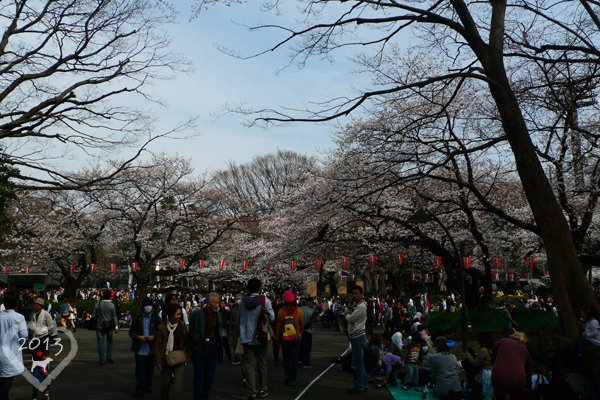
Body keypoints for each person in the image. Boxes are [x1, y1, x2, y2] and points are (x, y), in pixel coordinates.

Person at [239, 278, 275, 400]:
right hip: (262, 336)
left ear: (248, 288)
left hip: (246, 337)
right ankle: (263, 389)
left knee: (249, 365)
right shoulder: (265, 301)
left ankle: (251, 391)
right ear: (259, 288)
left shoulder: (242, 302)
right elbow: (272, 318)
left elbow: (239, 319)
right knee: (262, 364)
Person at [189, 292, 223, 400]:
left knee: (209, 375)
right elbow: (191, 330)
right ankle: (198, 396)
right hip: (199, 346)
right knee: (199, 375)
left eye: (218, 302)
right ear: (208, 303)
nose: (217, 305)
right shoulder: (197, 313)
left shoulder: (218, 314)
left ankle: (205, 395)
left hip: (212, 346)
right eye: (215, 302)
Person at [156, 303, 191, 400]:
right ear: (170, 315)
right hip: (166, 358)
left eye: (180, 314)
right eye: (177, 314)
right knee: (165, 383)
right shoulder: (162, 327)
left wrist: (187, 356)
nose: (179, 316)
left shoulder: (182, 325)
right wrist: (159, 361)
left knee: (178, 385)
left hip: (179, 357)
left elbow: (186, 342)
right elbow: (158, 346)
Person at [129, 298, 161, 397]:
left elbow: (160, 331)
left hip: (151, 348)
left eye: (149, 305)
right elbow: (131, 332)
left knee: (149, 370)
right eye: (146, 305)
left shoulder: (156, 318)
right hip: (140, 348)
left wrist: (154, 336)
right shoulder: (138, 318)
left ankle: (147, 386)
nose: (148, 307)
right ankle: (140, 388)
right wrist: (138, 337)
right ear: (142, 307)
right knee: (140, 369)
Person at [0, 293, 28, 400]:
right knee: (7, 381)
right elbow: (24, 335)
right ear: (15, 304)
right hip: (11, 353)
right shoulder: (19, 317)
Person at [29, 297, 57, 400]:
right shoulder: (32, 314)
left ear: (40, 305)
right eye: (34, 304)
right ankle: (37, 392)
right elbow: (31, 325)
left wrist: (43, 331)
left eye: (36, 304)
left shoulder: (46, 314)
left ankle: (46, 391)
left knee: (43, 367)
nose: (34, 305)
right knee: (36, 367)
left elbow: (52, 328)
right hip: (34, 342)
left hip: (43, 341)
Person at [492, 332, 532, 400]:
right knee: (516, 394)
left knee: (499, 393)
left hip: (498, 378)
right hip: (517, 382)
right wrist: (529, 386)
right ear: (523, 341)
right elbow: (528, 368)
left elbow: (494, 351)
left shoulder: (502, 341)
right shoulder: (524, 349)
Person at [275, 290, 304, 386]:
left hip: (284, 339)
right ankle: (293, 379)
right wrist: (300, 334)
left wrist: (278, 338)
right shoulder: (299, 311)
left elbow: (278, 326)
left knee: (286, 358)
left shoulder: (281, 311)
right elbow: (302, 325)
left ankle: (287, 376)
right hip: (296, 338)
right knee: (294, 359)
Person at [344, 285, 368, 394]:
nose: (354, 295)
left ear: (362, 294)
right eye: (353, 293)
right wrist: (349, 308)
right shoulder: (358, 305)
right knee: (360, 363)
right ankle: (363, 384)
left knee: (356, 363)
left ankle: (359, 386)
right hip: (357, 336)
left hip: (358, 337)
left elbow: (351, 318)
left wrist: (346, 311)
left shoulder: (362, 306)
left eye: (356, 293)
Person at [94, 290, 119, 365]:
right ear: (109, 296)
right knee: (110, 341)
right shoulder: (111, 305)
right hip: (109, 325)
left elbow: (93, 315)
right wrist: (116, 326)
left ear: (103, 295)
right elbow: (114, 316)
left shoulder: (97, 305)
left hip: (99, 325)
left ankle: (102, 359)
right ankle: (109, 356)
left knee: (100, 343)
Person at [299, 298, 317, 368]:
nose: (312, 304)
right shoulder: (312, 311)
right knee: (307, 348)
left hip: (300, 331)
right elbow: (313, 321)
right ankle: (305, 363)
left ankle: (299, 360)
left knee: (300, 347)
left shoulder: (299, 309)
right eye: (312, 302)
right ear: (308, 302)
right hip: (308, 331)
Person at [229, 294, 243, 365]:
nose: (237, 300)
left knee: (241, 343)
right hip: (235, 328)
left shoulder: (243, 307)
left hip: (241, 327)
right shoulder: (233, 307)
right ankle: (237, 357)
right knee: (235, 343)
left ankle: (241, 357)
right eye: (236, 298)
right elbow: (231, 318)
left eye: (238, 298)